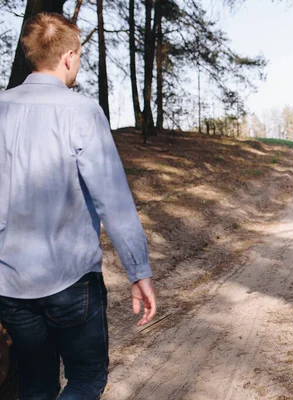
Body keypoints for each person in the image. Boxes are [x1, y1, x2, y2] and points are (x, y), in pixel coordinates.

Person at [0, 12, 157, 399]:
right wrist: (139, 272)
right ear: (69, 57)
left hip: (10, 283)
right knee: (86, 379)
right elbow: (114, 201)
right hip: (71, 280)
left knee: (34, 386)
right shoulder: (81, 112)